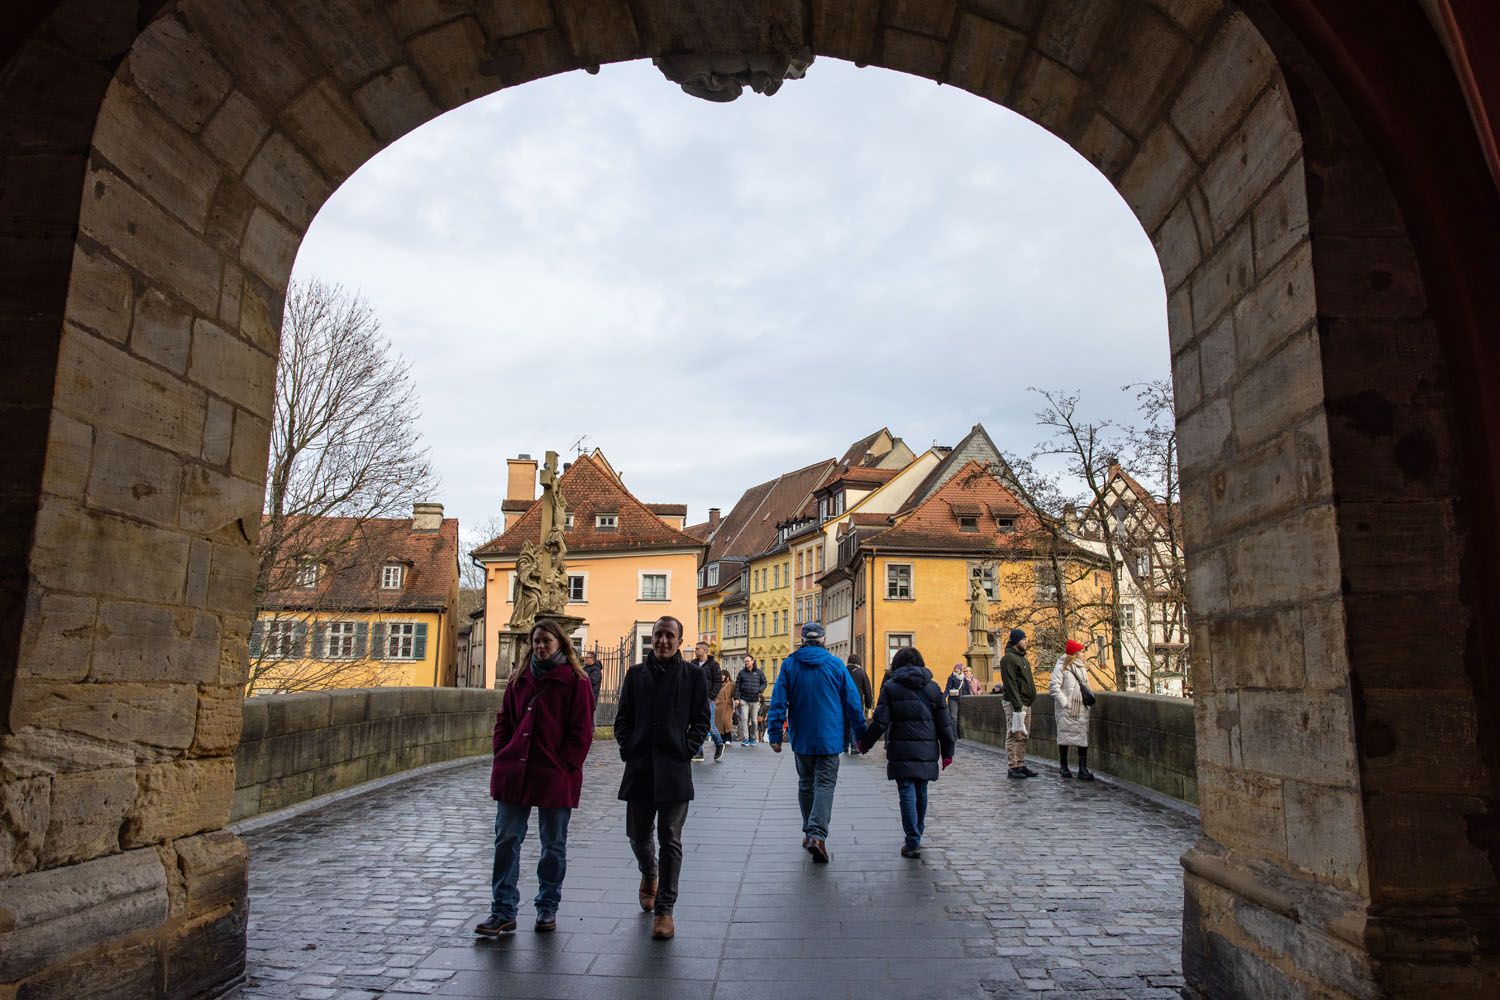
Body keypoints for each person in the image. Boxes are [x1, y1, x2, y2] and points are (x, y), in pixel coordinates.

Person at [475, 618, 596, 937]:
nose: (541, 646)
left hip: (554, 773)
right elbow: (503, 721)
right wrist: (503, 752)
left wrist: (565, 764)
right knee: (506, 840)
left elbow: (582, 731)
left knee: (552, 844)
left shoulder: (576, 681)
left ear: (560, 644)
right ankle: (503, 910)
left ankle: (547, 907)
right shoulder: (519, 679)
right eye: (537, 641)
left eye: (547, 641)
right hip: (515, 771)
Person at [613, 616, 710, 940]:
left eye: (669, 636)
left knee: (670, 838)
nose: (663, 641)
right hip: (640, 767)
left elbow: (701, 719)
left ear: (679, 641)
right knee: (638, 836)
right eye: (658, 635)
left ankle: (665, 909)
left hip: (673, 769)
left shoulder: (693, 676)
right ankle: (648, 873)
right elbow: (622, 718)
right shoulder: (635, 674)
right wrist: (628, 747)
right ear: (651, 639)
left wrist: (687, 748)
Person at [766, 622, 868, 863]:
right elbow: (853, 702)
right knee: (824, 784)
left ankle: (808, 830)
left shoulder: (790, 665)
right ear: (823, 640)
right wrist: (862, 734)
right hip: (830, 736)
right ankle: (817, 835)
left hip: (802, 736)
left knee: (805, 783)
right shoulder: (835, 665)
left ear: (802, 640)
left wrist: (774, 734)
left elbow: (778, 701)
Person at [858, 646, 955, 858]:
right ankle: (917, 832)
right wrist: (948, 752)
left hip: (901, 747)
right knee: (921, 790)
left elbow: (881, 722)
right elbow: (945, 725)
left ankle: (912, 840)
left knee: (906, 791)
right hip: (927, 748)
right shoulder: (933, 688)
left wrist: (865, 743)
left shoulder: (891, 687)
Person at [1050, 640, 1096, 780]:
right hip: (1067, 710)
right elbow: (1054, 687)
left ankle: (1083, 769)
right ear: (1075, 654)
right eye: (1082, 651)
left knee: (1082, 737)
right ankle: (1064, 767)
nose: (1084, 654)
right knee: (1064, 737)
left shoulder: (1082, 667)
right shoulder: (1061, 667)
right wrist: (1065, 703)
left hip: (1081, 708)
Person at [999, 629, 1037, 779]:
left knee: (1023, 735)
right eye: (1023, 639)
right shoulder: (1009, 658)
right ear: (1016, 641)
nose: (1026, 641)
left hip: (1025, 702)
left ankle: (1020, 764)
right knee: (1014, 733)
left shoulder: (1022, 658)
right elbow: (1010, 683)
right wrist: (1017, 705)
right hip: (1016, 703)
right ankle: (1013, 766)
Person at [689, 641, 726, 762]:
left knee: (709, 725)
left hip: (708, 699)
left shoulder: (713, 665)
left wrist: (711, 696)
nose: (695, 650)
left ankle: (719, 744)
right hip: (694, 699)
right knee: (695, 725)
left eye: (697, 648)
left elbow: (717, 682)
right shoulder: (693, 664)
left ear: (704, 651)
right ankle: (698, 752)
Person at [734, 656, 767, 745]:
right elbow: (737, 686)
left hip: (755, 700)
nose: (746, 663)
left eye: (748, 661)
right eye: (745, 662)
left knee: (754, 721)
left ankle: (752, 738)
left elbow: (764, 682)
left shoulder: (759, 672)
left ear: (752, 661)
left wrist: (760, 690)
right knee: (744, 719)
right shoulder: (741, 673)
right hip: (744, 699)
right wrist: (736, 698)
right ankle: (745, 739)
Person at [845, 653, 873, 754]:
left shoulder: (843, 671)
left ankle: (844, 746)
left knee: (845, 723)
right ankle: (854, 746)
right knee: (853, 724)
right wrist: (868, 705)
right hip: (856, 703)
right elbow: (867, 691)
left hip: (842, 703)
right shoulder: (861, 673)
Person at [713, 665, 735, 756]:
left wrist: (736, 702)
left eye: (723, 675)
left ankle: (728, 738)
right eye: (720, 675)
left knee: (726, 721)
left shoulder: (732, 684)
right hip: (718, 705)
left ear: (726, 676)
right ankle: (721, 738)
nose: (721, 677)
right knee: (719, 723)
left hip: (728, 705)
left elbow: (734, 694)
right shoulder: (717, 684)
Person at [944, 663, 968, 740]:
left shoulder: (964, 679)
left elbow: (967, 689)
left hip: (962, 699)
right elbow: (947, 688)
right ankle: (954, 735)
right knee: (953, 717)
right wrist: (943, 697)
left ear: (960, 670)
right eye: (955, 668)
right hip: (953, 699)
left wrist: (968, 696)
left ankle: (960, 735)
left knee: (960, 718)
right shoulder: (951, 678)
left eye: (957, 668)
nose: (956, 669)